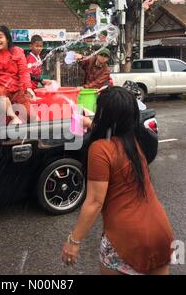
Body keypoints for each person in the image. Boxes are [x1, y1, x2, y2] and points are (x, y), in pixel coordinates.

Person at [61, 86, 174, 275]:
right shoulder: (134, 142)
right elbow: (114, 128)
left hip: (126, 237)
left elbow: (95, 202)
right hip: (160, 232)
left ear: (103, 115)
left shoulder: (100, 149)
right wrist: (89, 122)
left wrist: (74, 241)